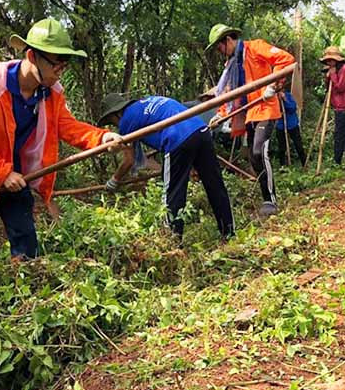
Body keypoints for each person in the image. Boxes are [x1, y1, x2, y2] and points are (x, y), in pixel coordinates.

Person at [0, 18, 123, 292]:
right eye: (56, 64)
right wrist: (2, 173)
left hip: (14, 173)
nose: (59, 72)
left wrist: (101, 137)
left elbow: (66, 125)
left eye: (64, 65)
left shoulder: (50, 94)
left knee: (26, 240)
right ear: (32, 56)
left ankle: (26, 297)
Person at [98, 93, 234, 239]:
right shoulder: (146, 103)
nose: (114, 125)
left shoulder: (126, 122)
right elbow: (147, 159)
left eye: (111, 121)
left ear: (117, 113)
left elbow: (129, 160)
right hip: (201, 132)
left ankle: (172, 239)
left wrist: (114, 180)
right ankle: (228, 232)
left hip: (177, 138)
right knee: (215, 184)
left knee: (172, 191)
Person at [206, 24, 296, 217]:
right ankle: (266, 196)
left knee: (258, 151)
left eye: (220, 47)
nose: (220, 52)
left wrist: (273, 85)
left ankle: (270, 200)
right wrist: (221, 113)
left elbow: (286, 59)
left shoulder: (254, 48)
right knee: (253, 156)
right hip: (249, 112)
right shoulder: (230, 66)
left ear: (228, 40)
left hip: (266, 108)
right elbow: (229, 92)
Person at [321, 45, 345, 164]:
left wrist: (333, 75)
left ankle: (338, 161)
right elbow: (329, 88)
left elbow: (340, 87)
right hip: (338, 106)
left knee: (340, 134)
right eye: (328, 61)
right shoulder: (334, 70)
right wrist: (328, 77)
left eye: (331, 60)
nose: (329, 63)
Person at [275, 90, 306, 167]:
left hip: (292, 124)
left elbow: (293, 107)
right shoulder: (274, 98)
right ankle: (282, 167)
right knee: (282, 147)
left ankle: (304, 164)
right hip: (281, 125)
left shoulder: (288, 95)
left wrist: (285, 99)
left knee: (298, 145)